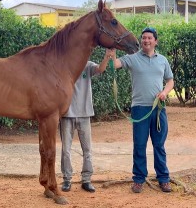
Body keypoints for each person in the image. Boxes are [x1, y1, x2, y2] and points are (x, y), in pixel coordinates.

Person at [113, 27, 174, 193]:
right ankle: (139, 179)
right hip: (139, 108)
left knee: (159, 145)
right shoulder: (133, 58)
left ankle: (164, 178)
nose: (146, 40)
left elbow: (170, 81)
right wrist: (111, 52)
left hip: (158, 108)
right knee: (139, 145)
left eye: (149, 38)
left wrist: (164, 92)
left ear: (155, 41)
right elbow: (115, 64)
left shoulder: (162, 60)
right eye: (144, 38)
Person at [60, 49, 114, 193]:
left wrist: (107, 57)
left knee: (87, 150)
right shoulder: (64, 66)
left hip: (84, 113)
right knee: (66, 149)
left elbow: (101, 69)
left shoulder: (87, 65)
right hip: (67, 114)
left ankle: (87, 180)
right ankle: (66, 179)